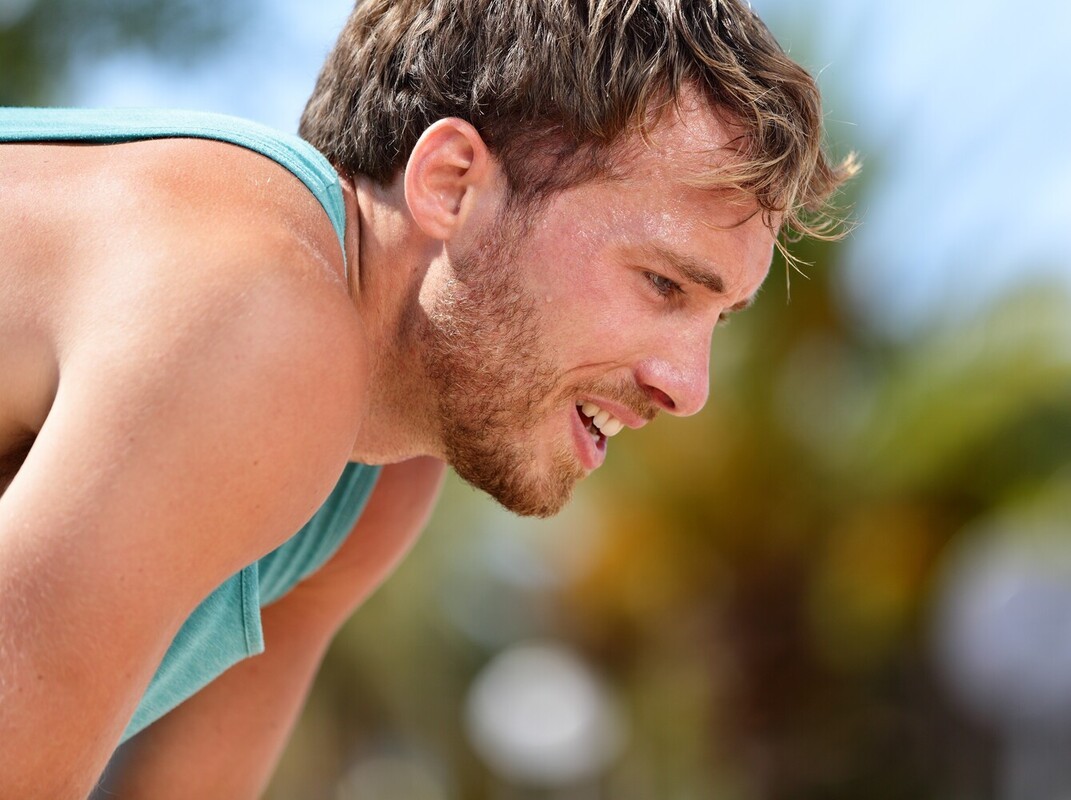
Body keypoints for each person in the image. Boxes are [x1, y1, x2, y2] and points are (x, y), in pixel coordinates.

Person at [0, 0, 855, 796]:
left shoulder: (377, 478)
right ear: (451, 186)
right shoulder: (256, 313)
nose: (689, 387)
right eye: (663, 284)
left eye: (718, 319)